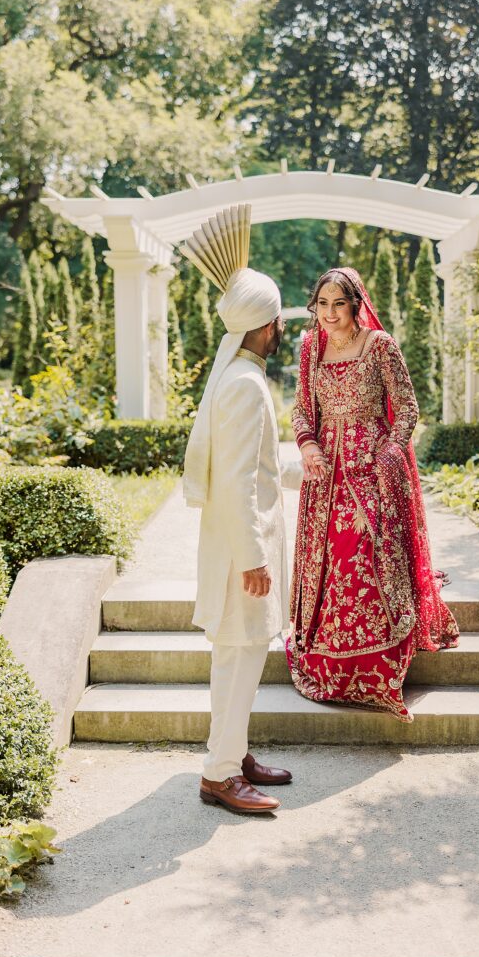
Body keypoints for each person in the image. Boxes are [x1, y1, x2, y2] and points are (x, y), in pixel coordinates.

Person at [286, 266, 460, 722]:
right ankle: (330, 659)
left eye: (338, 304)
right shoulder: (310, 348)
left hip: (374, 472)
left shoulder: (380, 346)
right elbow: (303, 409)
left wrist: (388, 454)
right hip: (326, 476)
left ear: (355, 303)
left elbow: (407, 409)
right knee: (335, 561)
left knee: (364, 559)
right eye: (321, 304)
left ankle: (376, 668)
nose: (329, 313)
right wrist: (308, 445)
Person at [180, 203, 296, 814]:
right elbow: (235, 482)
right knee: (240, 658)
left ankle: (236, 753)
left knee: (240, 656)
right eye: (277, 321)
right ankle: (221, 775)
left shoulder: (236, 375)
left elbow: (254, 469)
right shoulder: (246, 384)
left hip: (232, 546)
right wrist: (254, 559)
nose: (282, 330)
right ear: (262, 327)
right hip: (237, 553)